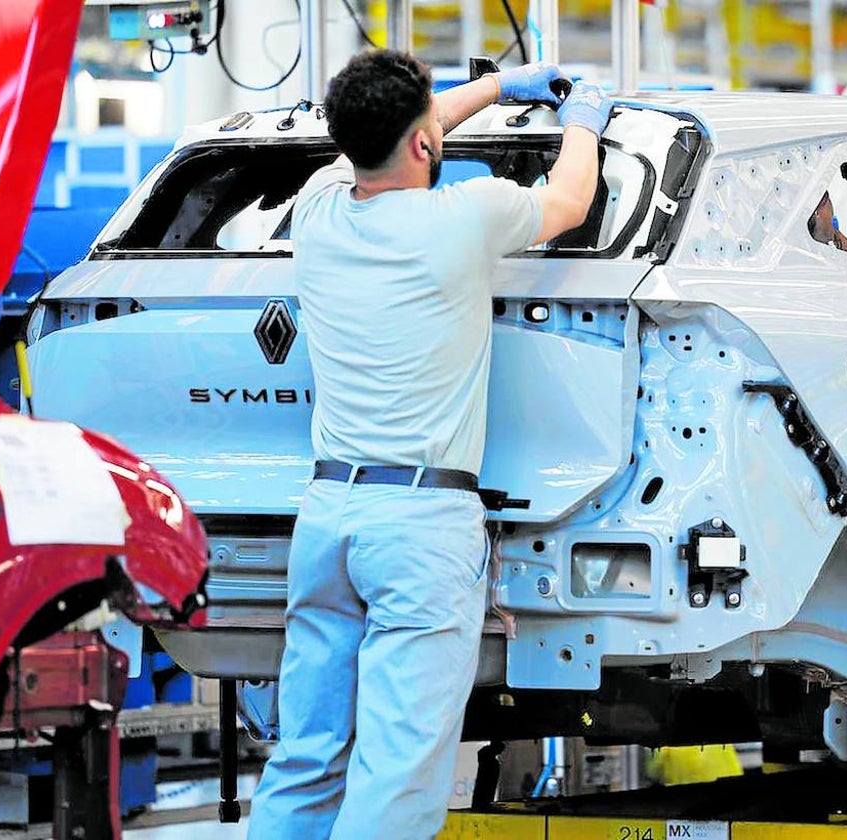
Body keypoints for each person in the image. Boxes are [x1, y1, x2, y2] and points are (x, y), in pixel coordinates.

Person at [246, 51, 612, 839]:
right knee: (398, 772)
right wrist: (583, 117)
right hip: (419, 526)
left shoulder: (315, 209)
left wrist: (490, 89)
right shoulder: (465, 216)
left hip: (328, 518)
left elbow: (395, 137)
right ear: (422, 143)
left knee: (305, 754)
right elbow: (572, 200)